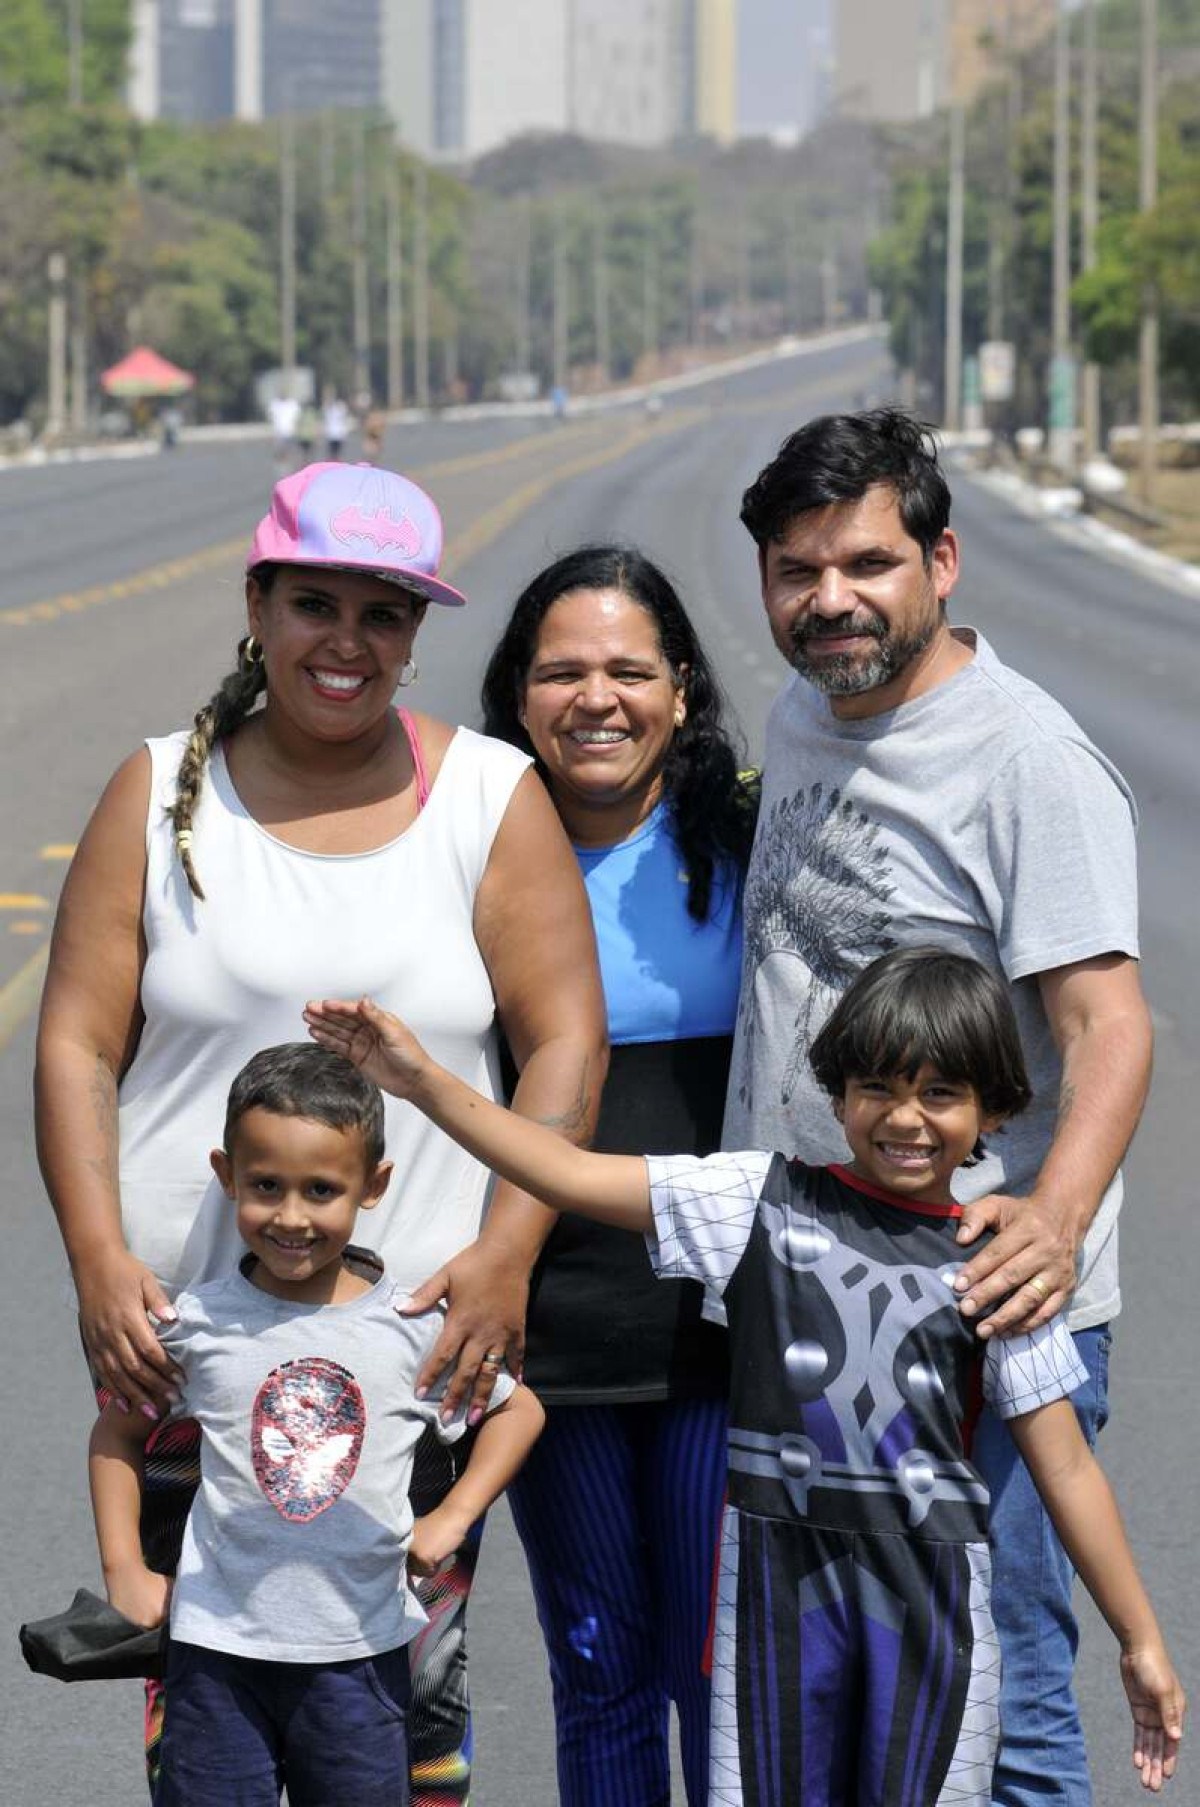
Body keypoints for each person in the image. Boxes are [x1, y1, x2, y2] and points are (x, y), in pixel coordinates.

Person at [34, 458, 607, 1802]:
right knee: (210, 1741)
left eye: (384, 611)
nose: (346, 641)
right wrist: (100, 1257)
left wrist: (510, 1248)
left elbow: (566, 1039)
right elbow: (75, 1041)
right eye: (313, 602)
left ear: (416, 632)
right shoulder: (158, 790)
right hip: (198, 1355)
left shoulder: (488, 797)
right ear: (258, 603)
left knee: (402, 1732)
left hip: (410, 1355)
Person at [304, 950, 1185, 1806]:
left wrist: (1138, 1634)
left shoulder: (999, 1266)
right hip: (774, 1609)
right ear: (837, 1094)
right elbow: (566, 1169)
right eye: (878, 1086)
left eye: (941, 1093)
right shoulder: (756, 1202)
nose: (906, 1118)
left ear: (993, 1110)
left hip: (935, 1623)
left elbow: (1064, 1466)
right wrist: (420, 1081)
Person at [724, 407, 1154, 1805]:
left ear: (943, 559)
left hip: (981, 1311)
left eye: (866, 562)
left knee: (1005, 1678)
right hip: (819, 1292)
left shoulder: (1023, 757)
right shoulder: (806, 709)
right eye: (798, 570)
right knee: (851, 1687)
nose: (831, 598)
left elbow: (1108, 1021)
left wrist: (1056, 1214)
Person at [89, 1042, 544, 1807]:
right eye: (265, 1186)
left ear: (374, 1186)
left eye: (321, 1189)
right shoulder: (194, 1323)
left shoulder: (410, 1327)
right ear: (226, 1174)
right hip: (214, 1655)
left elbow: (518, 1410)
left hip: (361, 1659)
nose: (291, 1216)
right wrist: (124, 1569)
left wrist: (452, 1517)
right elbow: (117, 1432)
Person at [480, 546, 757, 1805]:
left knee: (719, 1671)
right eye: (562, 671)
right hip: (551, 1325)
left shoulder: (760, 841)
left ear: (683, 690)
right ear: (519, 695)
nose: (598, 698)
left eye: (630, 669)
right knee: (599, 1668)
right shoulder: (467, 848)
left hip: (729, 1320)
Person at [324, 393, 352, 460]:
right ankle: (335, 462)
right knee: (334, 452)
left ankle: (334, 462)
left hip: (337, 433)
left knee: (334, 452)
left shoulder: (339, 407)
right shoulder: (332, 407)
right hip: (333, 433)